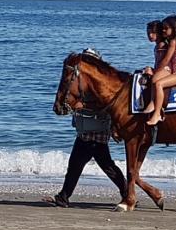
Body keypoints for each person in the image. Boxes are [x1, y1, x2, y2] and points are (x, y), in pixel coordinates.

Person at [46, 48, 162, 207]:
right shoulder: (86, 84)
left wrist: (83, 106)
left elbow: (105, 106)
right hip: (85, 132)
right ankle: (64, 197)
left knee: (105, 166)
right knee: (78, 164)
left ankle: (126, 193)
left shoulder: (99, 86)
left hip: (96, 132)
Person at [143, 15, 176, 127]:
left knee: (158, 83)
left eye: (166, 28)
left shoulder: (174, 42)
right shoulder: (172, 42)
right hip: (175, 71)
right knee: (154, 79)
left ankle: (157, 113)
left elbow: (165, 60)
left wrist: (156, 71)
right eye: (163, 28)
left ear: (174, 29)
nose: (164, 30)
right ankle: (152, 102)